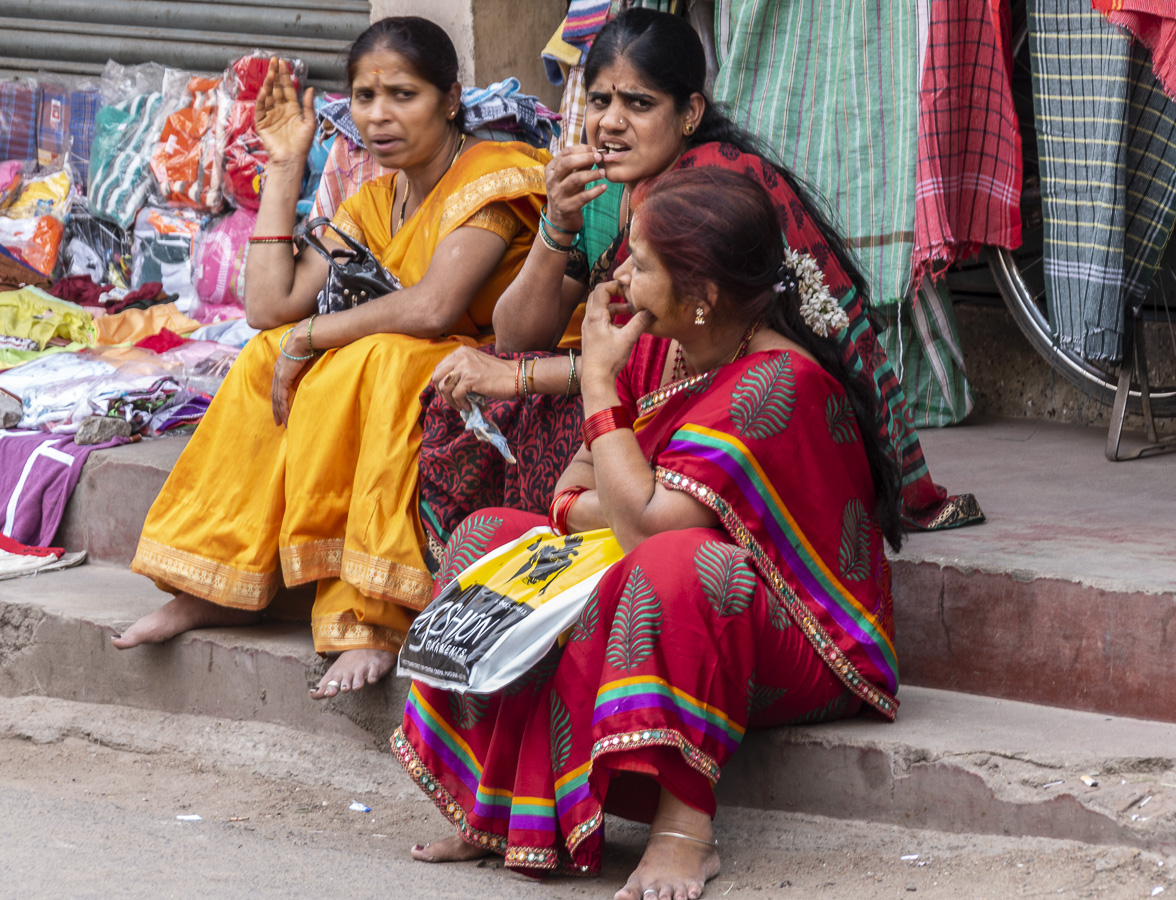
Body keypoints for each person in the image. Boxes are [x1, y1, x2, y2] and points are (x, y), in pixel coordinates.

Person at [393, 166, 904, 899]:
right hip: (656, 585)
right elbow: (573, 488)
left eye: (642, 264)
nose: (622, 276)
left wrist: (598, 393)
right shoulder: (661, 344)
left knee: (682, 563)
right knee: (489, 536)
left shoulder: (777, 384)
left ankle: (683, 834)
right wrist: (609, 499)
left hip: (800, 640)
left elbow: (650, 529)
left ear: (703, 296)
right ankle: (495, 807)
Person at [112, 17, 548, 699]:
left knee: (373, 357)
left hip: (495, 366)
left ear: (452, 99)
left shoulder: (493, 174)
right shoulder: (376, 197)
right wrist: (285, 166)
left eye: (403, 95)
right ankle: (220, 580)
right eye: (366, 97)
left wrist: (313, 337)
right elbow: (269, 307)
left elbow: (435, 308)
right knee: (261, 355)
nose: (379, 116)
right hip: (410, 351)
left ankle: (367, 611)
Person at [427, 8, 982, 536]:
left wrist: (520, 378)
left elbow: (657, 363)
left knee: (507, 402)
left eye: (638, 103)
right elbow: (519, 337)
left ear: (690, 113)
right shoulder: (601, 187)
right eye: (599, 100)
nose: (611, 121)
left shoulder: (710, 193)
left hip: (745, 407)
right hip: (644, 379)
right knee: (470, 398)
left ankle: (566, 549)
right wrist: (556, 223)